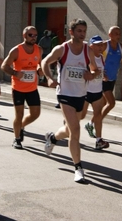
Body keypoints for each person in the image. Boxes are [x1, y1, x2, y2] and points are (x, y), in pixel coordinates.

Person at [42, 18, 98, 183]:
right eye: (79, 31)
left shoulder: (88, 50)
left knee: (69, 129)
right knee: (76, 130)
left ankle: (52, 138)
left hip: (80, 94)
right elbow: (45, 61)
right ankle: (78, 168)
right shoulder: (62, 49)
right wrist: (49, 78)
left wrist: (91, 75)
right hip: (65, 94)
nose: (82, 34)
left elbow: (95, 69)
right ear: (71, 32)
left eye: (84, 31)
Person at [1, 26, 43, 149]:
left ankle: (21, 127)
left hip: (32, 88)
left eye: (35, 35)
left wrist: (40, 69)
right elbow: (4, 66)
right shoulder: (16, 50)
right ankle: (17, 138)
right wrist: (15, 73)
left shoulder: (38, 49)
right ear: (24, 36)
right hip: (18, 88)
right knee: (19, 114)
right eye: (30, 35)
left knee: (36, 114)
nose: (33, 38)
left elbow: (39, 63)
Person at [81, 35, 109, 150]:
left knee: (98, 116)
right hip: (86, 91)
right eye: (97, 44)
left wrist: (104, 75)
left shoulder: (102, 57)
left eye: (101, 44)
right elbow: (89, 73)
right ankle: (67, 126)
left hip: (97, 91)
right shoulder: (86, 58)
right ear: (91, 46)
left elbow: (100, 71)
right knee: (81, 116)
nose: (100, 46)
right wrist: (94, 74)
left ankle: (98, 140)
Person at [98, 26, 122, 129]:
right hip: (103, 78)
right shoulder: (104, 45)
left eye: (119, 34)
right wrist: (100, 72)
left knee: (103, 104)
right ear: (109, 35)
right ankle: (95, 123)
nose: (118, 36)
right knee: (111, 103)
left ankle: (93, 123)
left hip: (112, 78)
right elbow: (94, 57)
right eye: (116, 33)